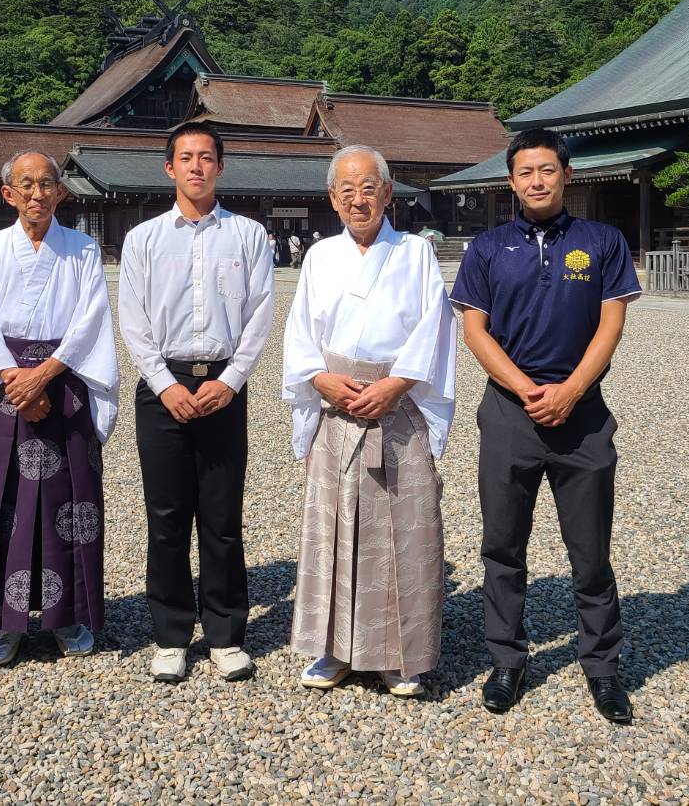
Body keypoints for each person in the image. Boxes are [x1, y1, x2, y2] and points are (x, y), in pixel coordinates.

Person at [451, 128, 641, 723]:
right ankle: (507, 658)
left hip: (582, 415)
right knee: (502, 546)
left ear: (567, 175)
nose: (537, 181)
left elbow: (610, 327)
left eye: (548, 170)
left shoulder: (602, 242)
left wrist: (571, 390)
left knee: (590, 551)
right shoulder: (487, 248)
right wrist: (526, 389)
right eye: (525, 172)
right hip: (510, 412)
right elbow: (475, 331)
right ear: (511, 180)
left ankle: (603, 667)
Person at [284, 146, 455, 698]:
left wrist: (397, 384)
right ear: (333, 200)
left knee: (401, 527)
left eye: (369, 188)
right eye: (347, 190)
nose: (359, 199)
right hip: (336, 403)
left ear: (387, 193)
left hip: (396, 404)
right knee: (335, 524)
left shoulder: (415, 254)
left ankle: (400, 653)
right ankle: (333, 648)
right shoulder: (320, 257)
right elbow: (300, 335)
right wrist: (318, 379)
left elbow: (434, 327)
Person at [118, 121, 274, 684]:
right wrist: (163, 383)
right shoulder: (144, 239)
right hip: (164, 387)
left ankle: (227, 633)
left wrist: (232, 379)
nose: (196, 166)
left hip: (223, 387)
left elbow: (260, 314)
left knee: (222, 517)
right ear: (169, 167)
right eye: (185, 157)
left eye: (206, 157)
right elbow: (132, 319)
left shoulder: (249, 236)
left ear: (220, 167)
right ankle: (170, 633)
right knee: (165, 516)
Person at [0, 151, 120, 666]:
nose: (37, 194)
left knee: (68, 504)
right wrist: (13, 378)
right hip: (5, 390)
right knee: (1, 504)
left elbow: (90, 318)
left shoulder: (83, 250)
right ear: (8, 194)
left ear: (61, 194)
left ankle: (68, 615)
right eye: (26, 185)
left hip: (65, 383)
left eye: (47, 184)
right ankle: (4, 621)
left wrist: (45, 374)